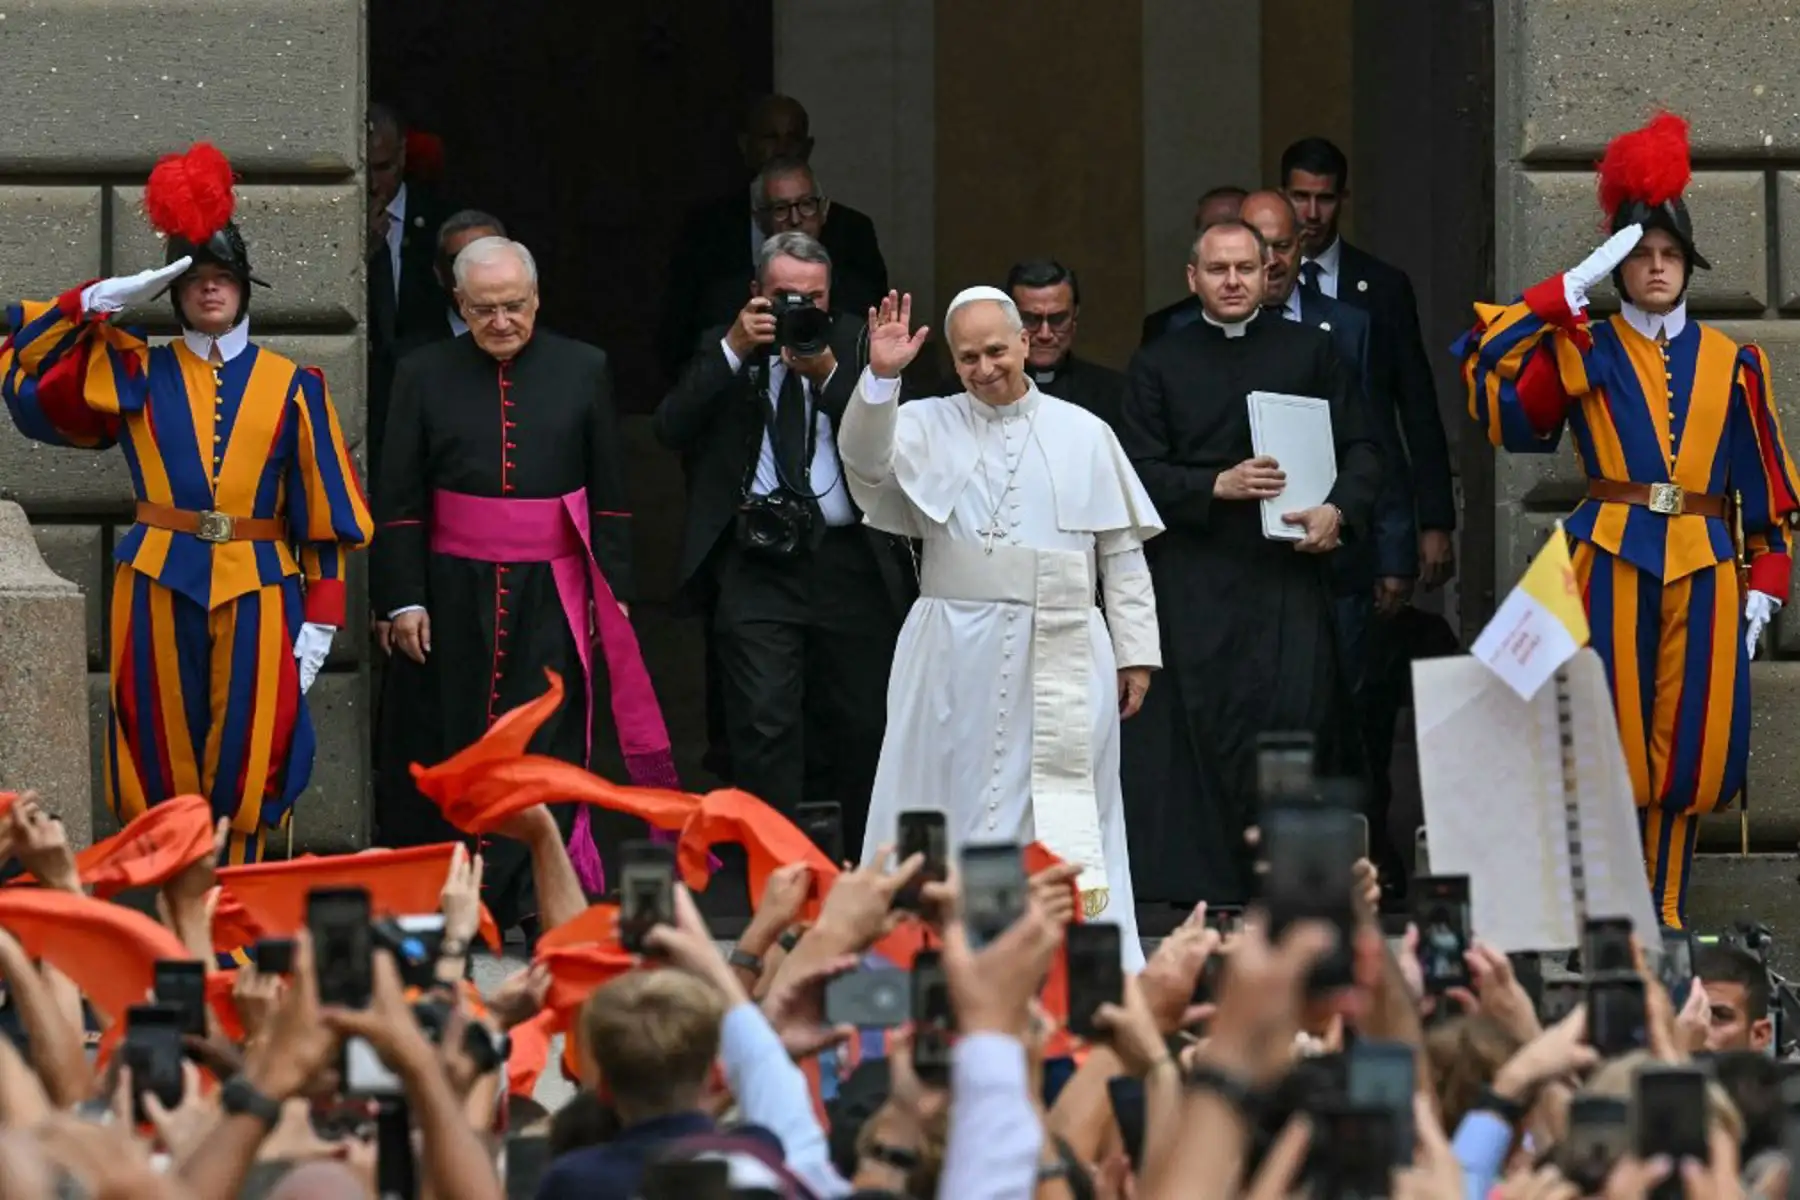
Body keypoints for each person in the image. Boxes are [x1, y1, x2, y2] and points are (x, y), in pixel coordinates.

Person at [1458, 113, 1800, 928]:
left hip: (1709, 565)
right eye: (1639, 256)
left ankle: (1667, 910)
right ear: (1618, 266)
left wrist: (1768, 587)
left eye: (1668, 255)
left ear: (1689, 267)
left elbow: (1771, 496)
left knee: (1687, 748)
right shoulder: (1587, 345)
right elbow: (1492, 382)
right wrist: (1568, 289)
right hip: (1607, 555)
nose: (1654, 269)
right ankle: (1608, 918)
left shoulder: (1735, 360)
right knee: (1604, 740)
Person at [0, 142, 372, 864]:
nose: (210, 290)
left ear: (244, 289)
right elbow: (27, 366)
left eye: (223, 278)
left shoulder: (297, 385)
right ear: (171, 291)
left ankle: (231, 915)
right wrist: (98, 300)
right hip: (156, 579)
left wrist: (320, 626)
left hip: (264, 585)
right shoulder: (135, 368)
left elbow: (324, 524)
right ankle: (168, 910)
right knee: (156, 743)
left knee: (252, 752)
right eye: (195, 279)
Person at [840, 286, 1163, 967]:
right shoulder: (925, 422)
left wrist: (1137, 655)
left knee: (1068, 808)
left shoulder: (1085, 432)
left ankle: (1070, 956)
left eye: (995, 350)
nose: (984, 368)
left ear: (1025, 342)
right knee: (938, 793)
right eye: (966, 358)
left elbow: (1123, 554)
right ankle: (925, 951)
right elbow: (865, 463)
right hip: (952, 648)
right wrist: (881, 378)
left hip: (1068, 645)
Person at [373, 236, 674, 941]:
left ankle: (541, 895)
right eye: (484, 309)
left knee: (550, 738)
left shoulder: (583, 368)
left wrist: (615, 589)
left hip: (556, 587)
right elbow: (399, 495)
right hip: (453, 590)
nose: (501, 321)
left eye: (514, 306)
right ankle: (464, 897)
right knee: (461, 737)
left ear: (537, 300)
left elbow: (610, 491)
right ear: (460, 305)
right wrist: (404, 597)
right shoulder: (423, 371)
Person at [1119, 220, 1381, 907]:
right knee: (1200, 735)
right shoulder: (1157, 364)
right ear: (1192, 279)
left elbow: (1364, 449)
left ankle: (1289, 889)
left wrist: (1337, 511)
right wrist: (1216, 485)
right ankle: (1201, 893)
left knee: (1294, 727)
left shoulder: (1311, 353)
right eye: (1217, 269)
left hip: (1286, 581)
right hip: (1195, 585)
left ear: (1269, 273)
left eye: (1245, 268)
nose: (1232, 281)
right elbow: (1135, 472)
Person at [653, 231, 912, 857]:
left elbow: (900, 449)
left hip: (849, 562)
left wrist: (827, 375)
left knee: (859, 722)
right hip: (758, 562)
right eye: (783, 296)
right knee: (763, 723)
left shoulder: (861, 339)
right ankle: (774, 870)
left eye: (812, 298)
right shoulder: (728, 343)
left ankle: (857, 871)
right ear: (755, 295)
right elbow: (669, 426)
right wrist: (733, 349)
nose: (799, 309)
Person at [1242, 187, 1417, 891]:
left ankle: (1360, 876)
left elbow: (1382, 443)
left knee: (1348, 723)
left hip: (1338, 563)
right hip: (1244, 574)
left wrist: (1393, 549)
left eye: (1285, 245)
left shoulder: (1346, 326)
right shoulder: (1182, 334)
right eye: (1260, 247)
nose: (1275, 259)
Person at [1282, 136, 1458, 590]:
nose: (1312, 213)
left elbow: (1416, 405)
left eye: (1324, 198)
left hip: (1366, 513)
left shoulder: (1383, 287)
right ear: (1283, 196)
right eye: (1300, 197)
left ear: (1342, 198)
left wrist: (1434, 521)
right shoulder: (1255, 285)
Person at [658, 94, 888, 384]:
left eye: (792, 138)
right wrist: (733, 348)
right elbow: (679, 336)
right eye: (770, 137)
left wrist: (831, 374)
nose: (782, 149)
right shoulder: (709, 234)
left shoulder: (853, 233)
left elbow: (873, 330)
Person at [1006, 258, 1128, 431]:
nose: (1044, 334)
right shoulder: (973, 391)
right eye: (1030, 319)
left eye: (1057, 319)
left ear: (1074, 318)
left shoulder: (1115, 394)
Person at [1141, 185, 1248, 346]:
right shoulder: (1168, 327)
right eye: (1211, 229)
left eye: (1234, 227)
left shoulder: (1291, 335)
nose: (1224, 239)